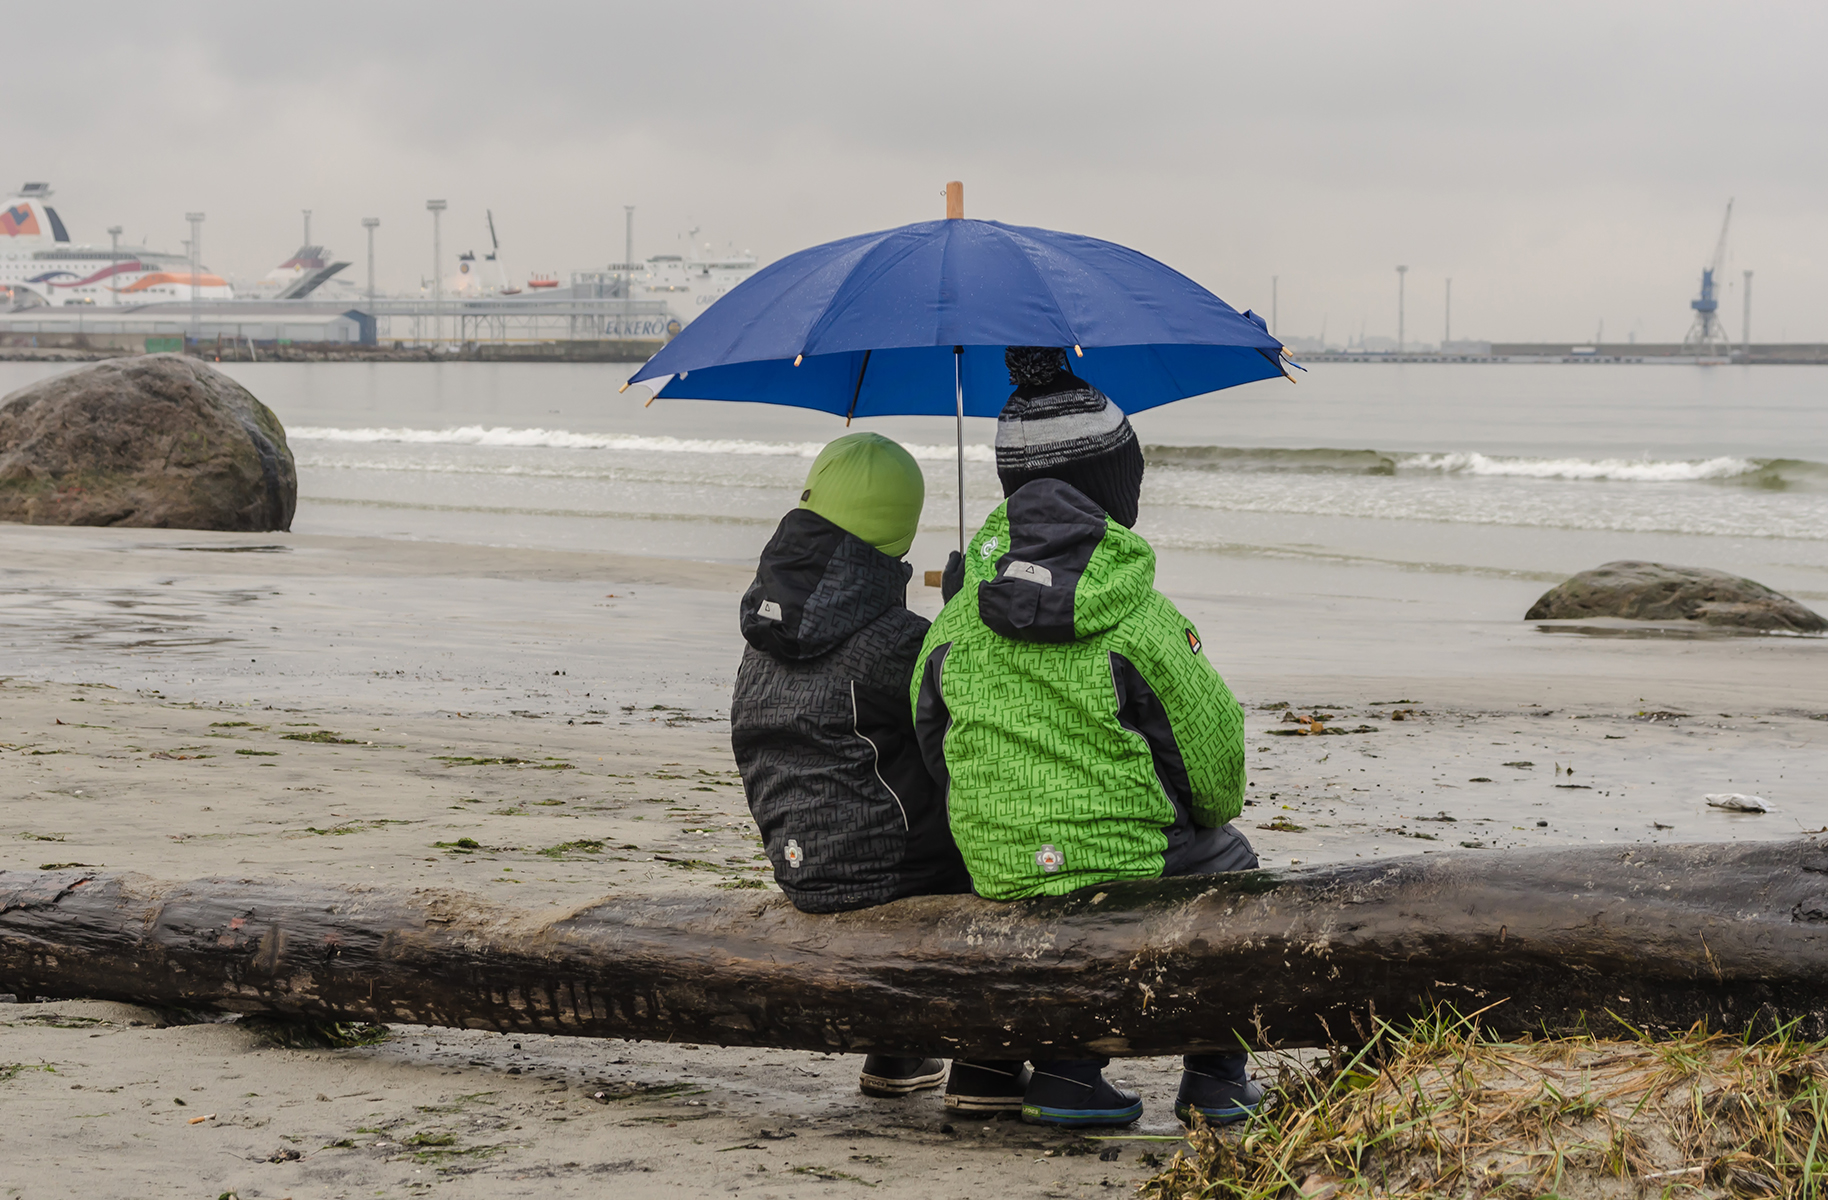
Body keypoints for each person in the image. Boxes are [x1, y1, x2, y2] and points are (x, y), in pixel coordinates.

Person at [911, 347, 1264, 1128]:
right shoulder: (1139, 618)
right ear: (1118, 486)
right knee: (1233, 863)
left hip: (1000, 858)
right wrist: (1194, 817)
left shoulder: (959, 618)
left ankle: (1044, 1068)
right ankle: (1216, 1076)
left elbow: (934, 740)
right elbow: (1212, 765)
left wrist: (999, 806)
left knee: (1035, 867)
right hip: (1125, 859)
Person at [729, 431, 980, 1102]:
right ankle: (973, 1059)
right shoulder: (899, 643)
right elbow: (956, 745)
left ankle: (897, 1054)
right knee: (978, 809)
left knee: (867, 774)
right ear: (901, 528)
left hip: (798, 868)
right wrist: (962, 620)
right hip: (889, 878)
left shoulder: (762, 633)